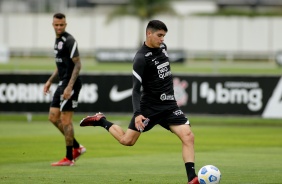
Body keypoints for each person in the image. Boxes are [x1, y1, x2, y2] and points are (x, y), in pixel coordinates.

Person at [80, 20, 199, 184]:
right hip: (149, 108)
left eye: (164, 36)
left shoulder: (163, 48)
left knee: (188, 136)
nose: (162, 39)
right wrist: (138, 114)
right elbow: (136, 90)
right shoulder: (141, 58)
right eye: (159, 35)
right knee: (127, 141)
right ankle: (101, 121)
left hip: (170, 106)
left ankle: (192, 178)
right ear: (148, 34)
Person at [43, 13, 86, 166]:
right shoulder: (57, 41)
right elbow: (60, 65)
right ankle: (77, 147)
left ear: (65, 24)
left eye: (61, 25)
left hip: (70, 85)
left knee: (66, 120)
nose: (59, 27)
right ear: (53, 25)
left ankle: (69, 158)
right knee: (53, 117)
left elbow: (78, 64)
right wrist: (49, 81)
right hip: (62, 83)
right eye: (56, 24)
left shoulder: (70, 40)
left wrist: (69, 87)